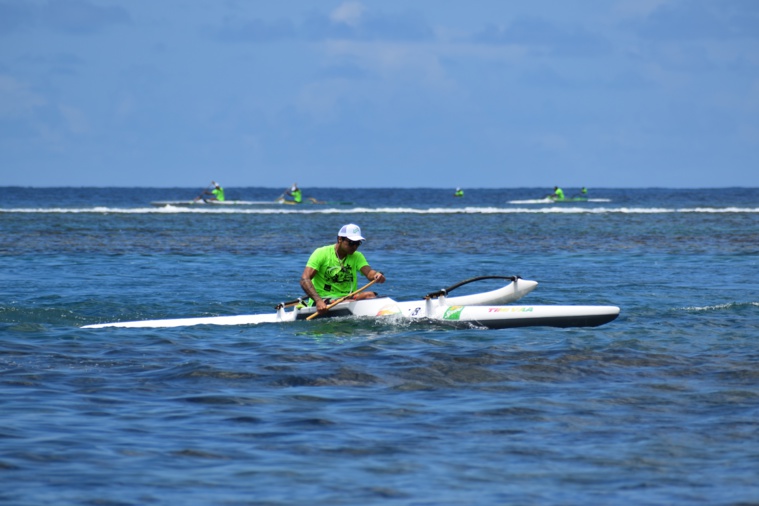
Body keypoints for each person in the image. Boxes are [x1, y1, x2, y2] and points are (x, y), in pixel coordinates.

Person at [300, 224, 386, 314]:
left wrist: (377, 275)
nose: (355, 247)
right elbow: (304, 279)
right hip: (323, 300)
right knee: (349, 302)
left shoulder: (357, 256)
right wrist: (318, 301)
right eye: (352, 243)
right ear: (340, 239)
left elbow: (369, 273)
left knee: (370, 295)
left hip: (348, 297)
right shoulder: (321, 253)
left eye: (358, 243)